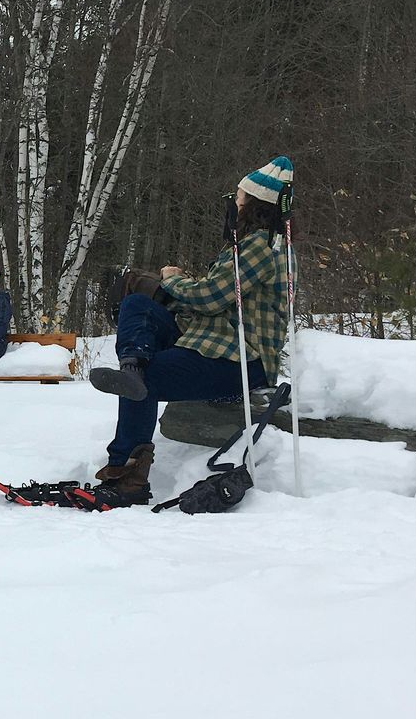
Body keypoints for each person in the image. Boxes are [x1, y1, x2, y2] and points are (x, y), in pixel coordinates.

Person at [87, 156, 292, 506]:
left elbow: (212, 297)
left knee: (147, 381)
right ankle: (132, 366)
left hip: (239, 359)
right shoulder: (253, 245)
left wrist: (174, 280)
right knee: (137, 305)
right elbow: (219, 299)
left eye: (240, 196)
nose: (234, 201)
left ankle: (127, 477)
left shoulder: (261, 245)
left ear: (255, 203)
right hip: (212, 344)